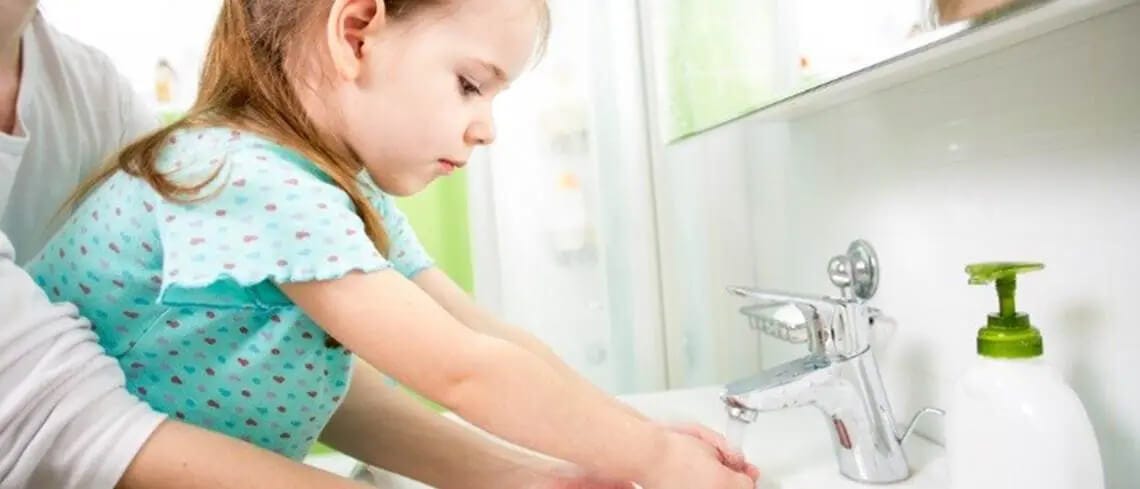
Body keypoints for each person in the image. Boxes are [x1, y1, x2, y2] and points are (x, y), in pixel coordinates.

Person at [0, 1, 755, 488]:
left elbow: (483, 333)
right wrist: (654, 459)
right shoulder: (243, 175)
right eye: (469, 84)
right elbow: (463, 372)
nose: (486, 125)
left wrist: (621, 440)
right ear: (356, 31)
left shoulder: (325, 183)